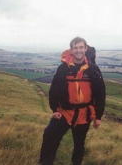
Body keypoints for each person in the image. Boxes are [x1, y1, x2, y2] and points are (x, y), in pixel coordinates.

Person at [39, 37, 106, 165]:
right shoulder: (63, 68)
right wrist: (55, 109)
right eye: (75, 48)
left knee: (79, 144)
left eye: (81, 47)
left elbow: (100, 93)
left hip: (84, 114)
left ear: (85, 48)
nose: (78, 50)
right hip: (65, 111)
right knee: (50, 135)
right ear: (71, 50)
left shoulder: (93, 69)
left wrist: (98, 116)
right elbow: (54, 89)